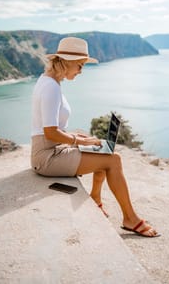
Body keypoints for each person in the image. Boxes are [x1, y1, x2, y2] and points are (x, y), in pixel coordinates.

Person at [31, 36, 160, 237]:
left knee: (100, 148)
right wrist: (80, 141)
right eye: (80, 66)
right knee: (113, 160)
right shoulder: (51, 88)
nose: (81, 71)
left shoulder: (48, 81)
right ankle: (130, 219)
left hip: (51, 149)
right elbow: (49, 132)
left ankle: (96, 200)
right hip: (47, 157)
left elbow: (50, 129)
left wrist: (83, 138)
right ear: (67, 62)